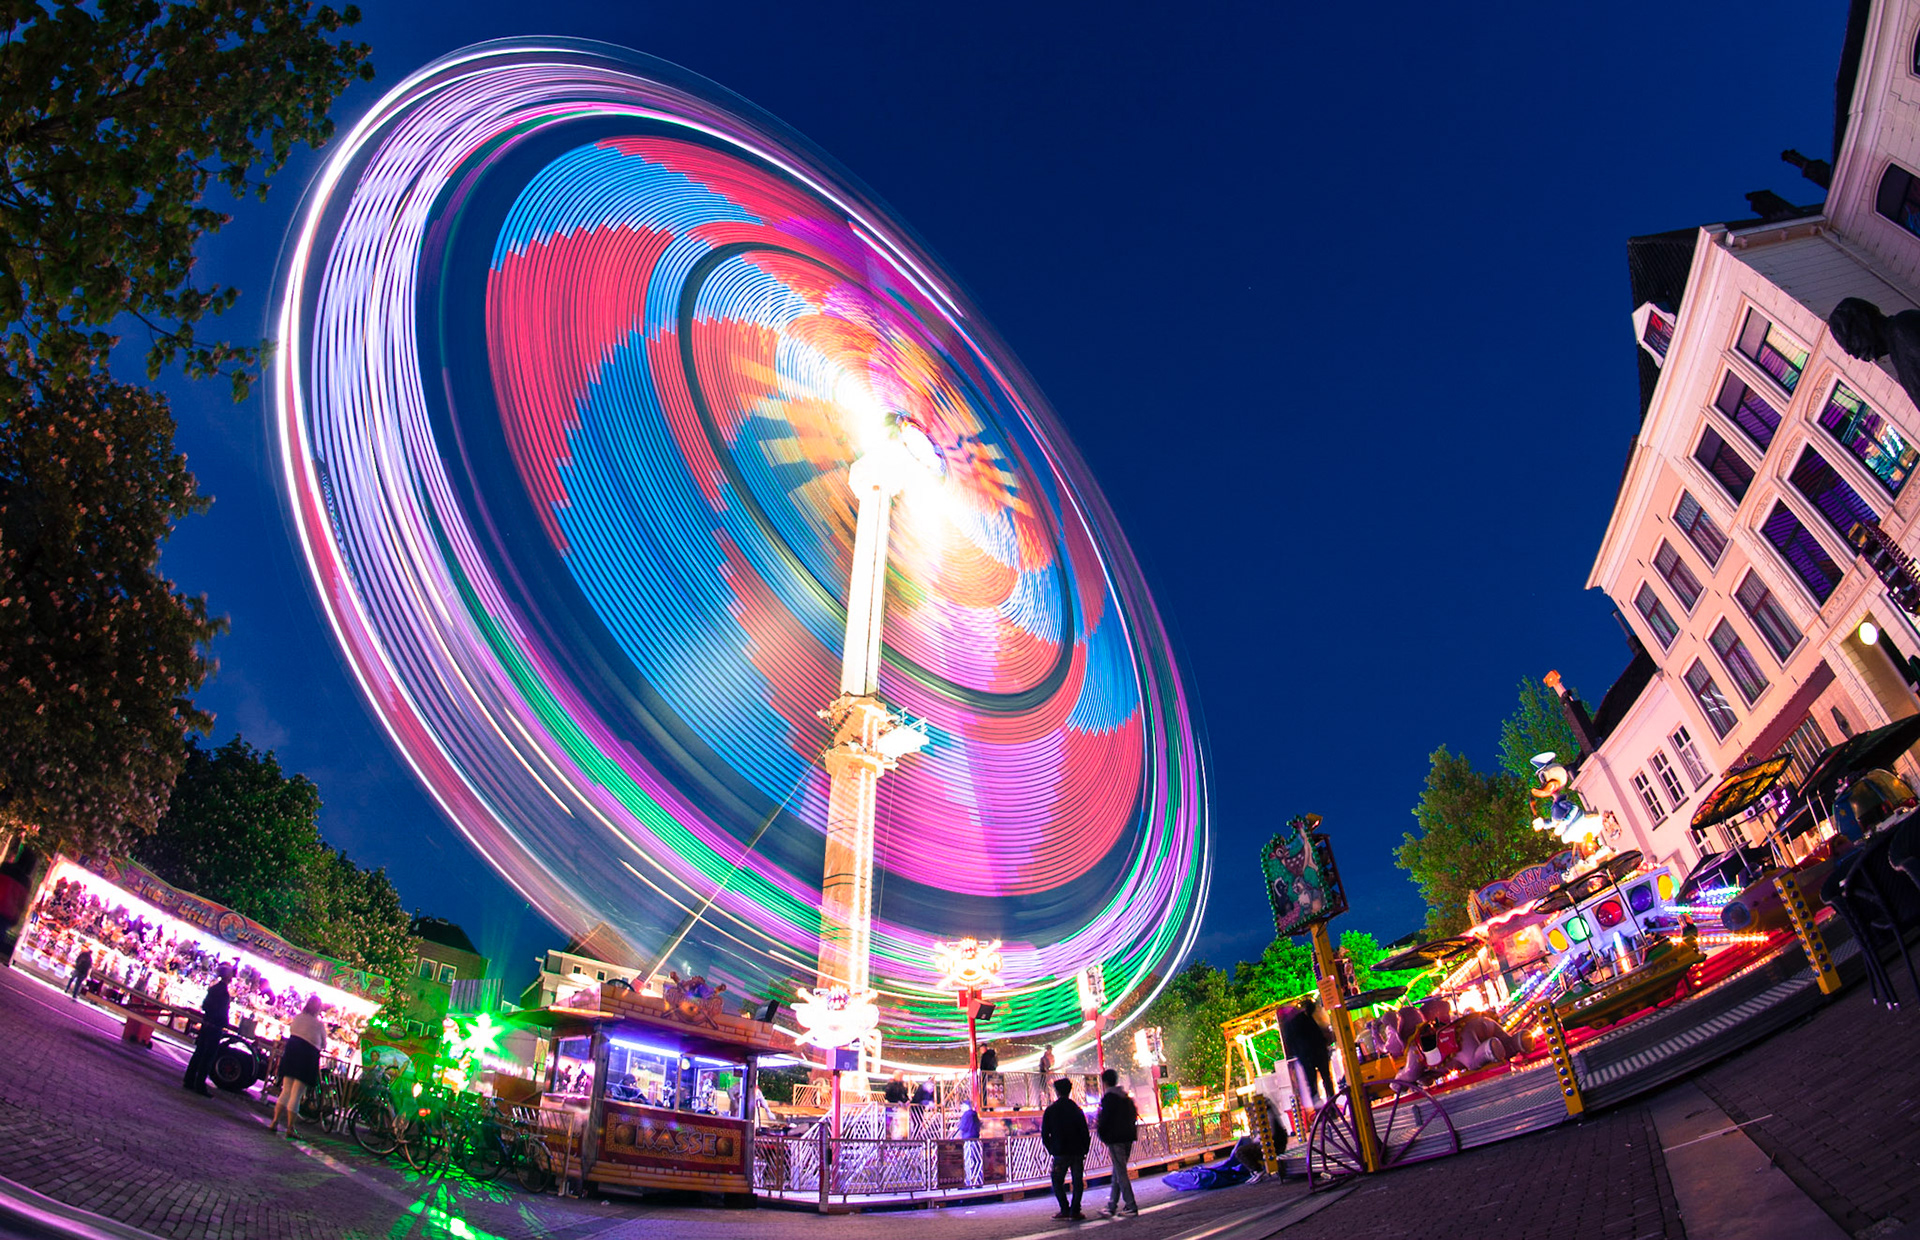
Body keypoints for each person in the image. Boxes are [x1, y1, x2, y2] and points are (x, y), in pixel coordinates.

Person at [270, 994, 326, 1138]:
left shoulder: (298, 1017)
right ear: (318, 1008)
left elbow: (292, 1031)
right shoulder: (318, 1025)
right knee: (297, 1093)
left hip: (292, 1052)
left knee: (286, 1090)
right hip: (307, 1057)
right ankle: (290, 1127)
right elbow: (323, 1044)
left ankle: (275, 1121)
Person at [1040, 1077, 1089, 1221]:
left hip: (1060, 1151)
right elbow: (1084, 1131)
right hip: (1077, 1151)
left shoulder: (1051, 1110)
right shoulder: (1076, 1109)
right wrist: (1084, 1148)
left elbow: (1045, 1133)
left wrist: (1052, 1148)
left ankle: (1064, 1208)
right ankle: (1075, 1210)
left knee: (1056, 1180)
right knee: (1077, 1180)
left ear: (1056, 1091)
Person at [182, 963, 234, 1096]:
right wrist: (225, 1023)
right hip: (215, 1027)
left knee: (199, 1053)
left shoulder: (214, 988)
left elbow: (205, 1005)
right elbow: (223, 1012)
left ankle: (189, 1079)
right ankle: (199, 1085)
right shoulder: (224, 993)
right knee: (207, 1057)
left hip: (206, 1024)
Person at [1095, 1067, 1139, 1216]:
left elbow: (1104, 1120)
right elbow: (1134, 1115)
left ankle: (1130, 1205)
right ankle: (1112, 1205)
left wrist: (1102, 1135)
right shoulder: (1125, 1097)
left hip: (1115, 1138)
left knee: (1121, 1172)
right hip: (1128, 1136)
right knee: (1118, 1170)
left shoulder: (1108, 1098)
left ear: (1105, 1082)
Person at [1281, 997, 1335, 1105]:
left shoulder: (1289, 1025)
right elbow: (1319, 1033)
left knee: (1312, 1082)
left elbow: (1290, 1042)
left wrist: (1297, 1053)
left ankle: (1318, 1107)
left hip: (1305, 1055)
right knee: (1326, 1078)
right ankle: (1332, 1102)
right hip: (1318, 1050)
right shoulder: (1308, 1018)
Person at [957, 1097, 983, 1187]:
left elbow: (962, 1127)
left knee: (968, 1161)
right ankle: (978, 1180)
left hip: (967, 1140)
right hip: (976, 1139)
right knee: (977, 1160)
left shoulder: (966, 1115)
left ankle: (969, 1181)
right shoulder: (975, 1115)